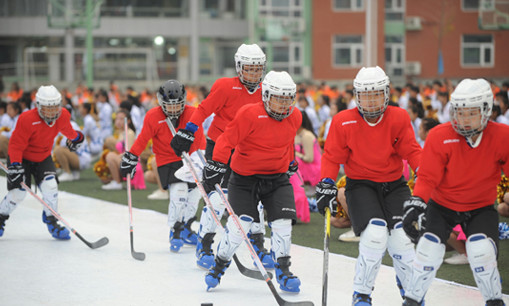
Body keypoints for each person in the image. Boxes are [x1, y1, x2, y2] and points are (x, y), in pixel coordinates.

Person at [316, 66, 422, 305]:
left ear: (386, 94)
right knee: (374, 234)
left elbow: (412, 151)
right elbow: (332, 157)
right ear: (356, 96)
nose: (371, 100)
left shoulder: (399, 117)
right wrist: (326, 183)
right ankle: (361, 293)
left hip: (395, 185)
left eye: (376, 94)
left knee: (403, 238)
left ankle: (411, 293)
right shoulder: (343, 121)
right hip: (360, 184)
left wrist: (429, 174)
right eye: (365, 95)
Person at [401, 78, 509, 306]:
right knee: (427, 249)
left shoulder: (502, 136)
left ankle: (494, 300)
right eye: (459, 112)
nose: (463, 119)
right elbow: (428, 176)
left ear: (486, 110)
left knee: (481, 251)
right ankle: (411, 301)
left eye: (470, 113)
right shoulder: (440, 135)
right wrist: (417, 201)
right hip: (443, 206)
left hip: (481, 208)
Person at [170, 43, 275, 269]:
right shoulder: (225, 86)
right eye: (249, 68)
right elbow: (204, 109)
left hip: (249, 150)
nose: (254, 73)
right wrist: (188, 130)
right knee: (218, 199)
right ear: (239, 67)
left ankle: (257, 245)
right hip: (220, 147)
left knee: (255, 200)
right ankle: (205, 245)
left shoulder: (266, 90)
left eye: (258, 68)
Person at [202, 71, 302, 293]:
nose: (282, 103)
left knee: (283, 224)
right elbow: (226, 140)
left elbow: (288, 142)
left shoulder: (295, 116)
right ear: (266, 96)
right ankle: (219, 265)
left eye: (287, 98)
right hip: (245, 179)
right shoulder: (248, 114)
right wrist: (216, 164)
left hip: (277, 178)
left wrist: (292, 161)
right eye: (278, 97)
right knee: (240, 227)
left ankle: (284, 271)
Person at [120, 80, 204, 252]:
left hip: (190, 158)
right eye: (169, 105)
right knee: (179, 193)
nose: (173, 109)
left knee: (194, 196)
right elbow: (143, 139)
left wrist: (200, 162)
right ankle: (175, 230)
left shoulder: (193, 113)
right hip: (167, 160)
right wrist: (131, 157)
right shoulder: (153, 116)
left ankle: (187, 227)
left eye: (177, 105)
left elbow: (200, 141)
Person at [0, 85, 84, 239]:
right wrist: (15, 166)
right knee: (18, 194)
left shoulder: (62, 115)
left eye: (55, 108)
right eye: (47, 108)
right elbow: (16, 145)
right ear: (38, 106)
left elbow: (67, 130)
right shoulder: (26, 119)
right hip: (21, 159)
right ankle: (0, 218)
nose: (52, 112)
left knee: (51, 187)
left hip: (43, 157)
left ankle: (51, 221)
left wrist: (77, 137)